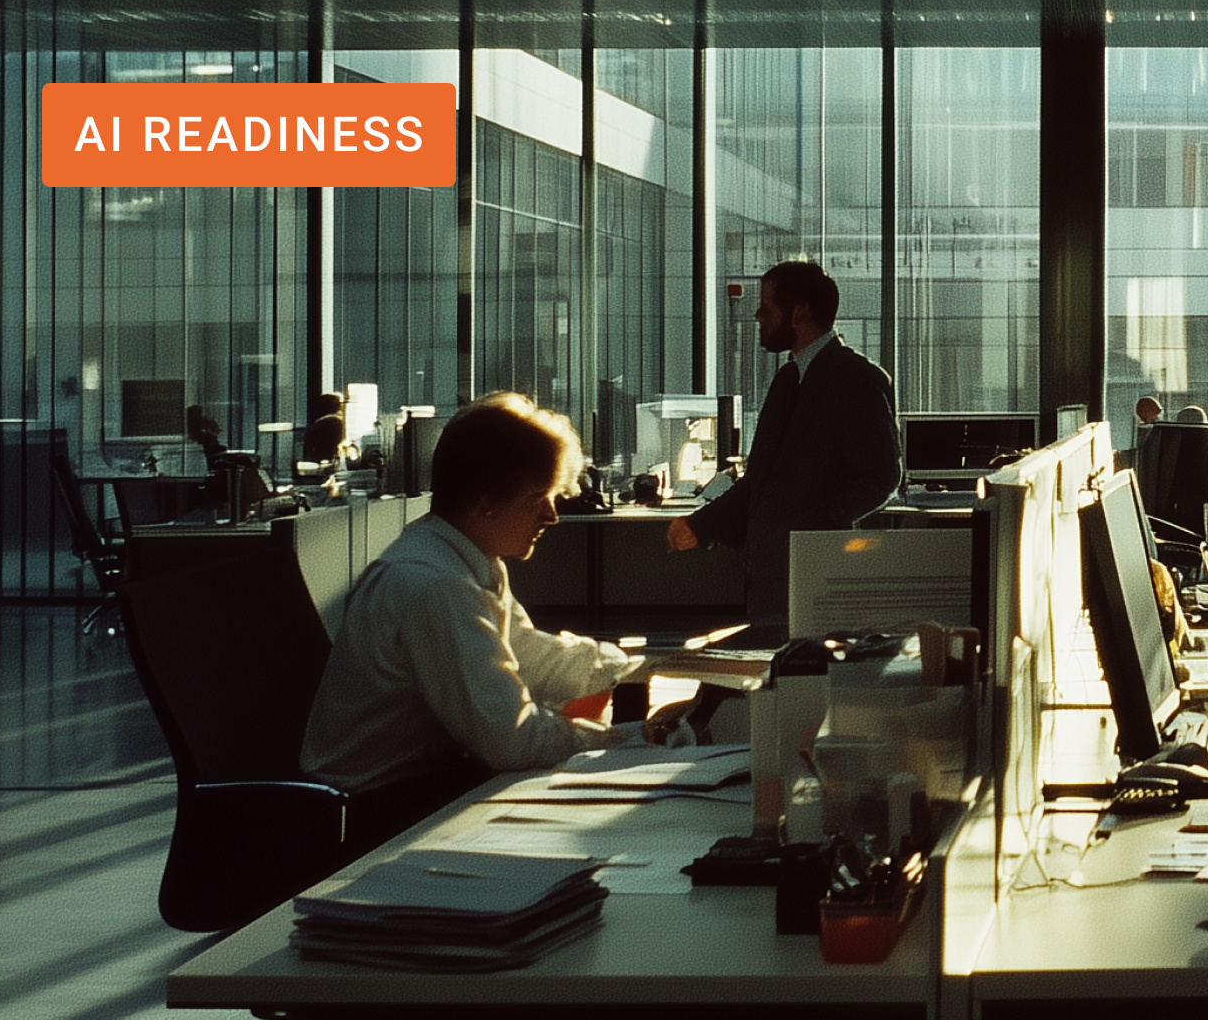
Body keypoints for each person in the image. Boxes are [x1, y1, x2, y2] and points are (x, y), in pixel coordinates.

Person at [304, 393, 682, 844]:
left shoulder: (460, 560)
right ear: (486, 504)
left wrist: (644, 667)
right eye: (538, 497)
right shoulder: (435, 586)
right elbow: (511, 740)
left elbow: (525, 655)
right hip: (376, 817)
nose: (553, 516)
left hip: (416, 795)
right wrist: (624, 740)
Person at [667, 260, 901, 637]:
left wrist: (815, 522)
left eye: (766, 306)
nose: (758, 315)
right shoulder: (787, 379)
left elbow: (882, 475)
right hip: (770, 575)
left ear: (799, 312)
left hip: (815, 573)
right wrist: (702, 525)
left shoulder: (856, 378)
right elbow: (761, 480)